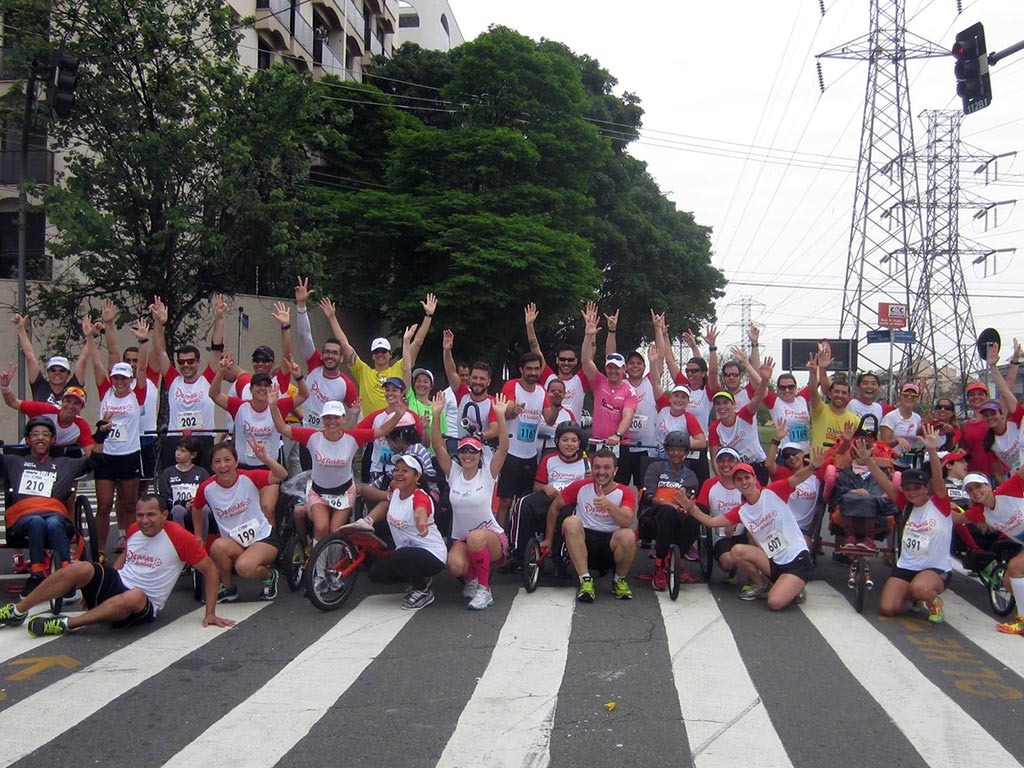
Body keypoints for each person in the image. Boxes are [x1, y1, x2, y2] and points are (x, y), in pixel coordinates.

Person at [0, 494, 233, 636]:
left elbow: (211, 570)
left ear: (165, 515)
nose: (144, 521)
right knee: (82, 567)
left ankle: (65, 624)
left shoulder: (180, 537)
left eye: (151, 515)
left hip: (144, 602)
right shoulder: (135, 530)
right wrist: (100, 585)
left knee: (135, 596)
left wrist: (210, 613)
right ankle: (18, 611)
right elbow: (127, 555)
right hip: (119, 584)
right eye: (140, 515)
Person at [680, 451, 824, 610]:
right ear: (735, 484)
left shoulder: (773, 491)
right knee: (737, 551)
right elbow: (712, 522)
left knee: (774, 603)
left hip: (796, 559)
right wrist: (692, 509)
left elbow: (796, 478)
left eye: (747, 477)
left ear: (755, 478)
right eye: (739, 479)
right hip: (773, 562)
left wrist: (812, 467)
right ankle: (761, 584)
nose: (744, 482)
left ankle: (796, 586)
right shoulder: (742, 511)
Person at [270, 395, 399, 546]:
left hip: (343, 493)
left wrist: (399, 414)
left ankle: (333, 565)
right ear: (322, 420)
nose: (332, 422)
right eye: (328, 418)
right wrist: (273, 406)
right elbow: (282, 428)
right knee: (321, 527)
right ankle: (316, 567)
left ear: (344, 418)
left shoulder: (353, 437)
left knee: (335, 531)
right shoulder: (312, 436)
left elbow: (381, 430)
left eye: (336, 418)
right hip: (319, 492)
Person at [855, 426, 952, 623]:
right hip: (907, 566)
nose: (911, 492)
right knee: (887, 609)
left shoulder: (939, 504)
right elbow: (886, 484)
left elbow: (938, 478)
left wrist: (932, 451)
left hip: (934, 569)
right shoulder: (906, 505)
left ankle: (932, 600)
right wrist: (868, 462)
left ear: (926, 489)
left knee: (921, 588)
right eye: (907, 488)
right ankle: (911, 594)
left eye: (917, 488)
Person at [0, 416, 100, 595]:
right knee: (36, 521)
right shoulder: (13, 461)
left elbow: (94, 462)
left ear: (53, 440)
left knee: (53, 522)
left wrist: (99, 438)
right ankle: (37, 574)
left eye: (45, 434)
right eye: (35, 434)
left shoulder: (64, 463)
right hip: (24, 520)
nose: (40, 438)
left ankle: (66, 574)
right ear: (28, 440)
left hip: (55, 517)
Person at [430, 391, 510, 610]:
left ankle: (485, 590)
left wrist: (500, 417)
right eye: (464, 450)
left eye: (473, 451)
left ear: (480, 455)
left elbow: (503, 448)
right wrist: (437, 415)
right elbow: (438, 446)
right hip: (463, 539)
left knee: (475, 537)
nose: (467, 455)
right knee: (454, 565)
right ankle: (472, 577)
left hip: (491, 538)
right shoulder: (453, 472)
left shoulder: (488, 473)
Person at [88, 316, 151, 558]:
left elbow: (143, 368)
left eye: (124, 378)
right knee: (103, 505)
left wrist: (143, 341)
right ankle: (100, 549)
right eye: (116, 378)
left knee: (129, 503)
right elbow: (96, 364)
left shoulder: (138, 394)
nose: (119, 382)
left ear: (130, 380)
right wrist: (91, 338)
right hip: (107, 456)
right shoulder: (106, 392)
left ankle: (131, 544)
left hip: (129, 455)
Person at [193, 442, 286, 602]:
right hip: (235, 542)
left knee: (243, 567)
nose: (223, 465)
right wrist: (198, 536)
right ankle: (228, 588)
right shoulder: (206, 488)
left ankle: (270, 575)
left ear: (236, 462)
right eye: (217, 461)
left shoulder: (249, 477)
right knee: (216, 547)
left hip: (262, 538)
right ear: (212, 466)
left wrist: (265, 458)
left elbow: (281, 475)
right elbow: (196, 507)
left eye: (227, 460)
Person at [543, 448, 637, 602]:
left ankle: (619, 580)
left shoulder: (624, 492)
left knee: (628, 535)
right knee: (570, 522)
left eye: (607, 468)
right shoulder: (579, 486)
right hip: (584, 542)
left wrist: (609, 506)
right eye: (597, 467)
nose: (601, 472)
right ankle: (585, 581)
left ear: (615, 470)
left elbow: (627, 521)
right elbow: (554, 507)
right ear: (592, 468)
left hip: (610, 544)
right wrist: (548, 540)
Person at [150, 295, 226, 468]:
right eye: (182, 362)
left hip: (203, 440)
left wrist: (220, 318)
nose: (186, 365)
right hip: (176, 440)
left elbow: (216, 349)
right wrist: (159, 324)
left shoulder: (207, 378)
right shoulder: (173, 380)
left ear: (198, 362)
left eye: (190, 361)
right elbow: (160, 351)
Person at [367, 454, 448, 610]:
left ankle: (423, 590)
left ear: (417, 476)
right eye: (396, 470)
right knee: (376, 573)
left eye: (405, 471)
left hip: (432, 555)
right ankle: (419, 577)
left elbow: (421, 509)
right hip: (407, 553)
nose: (398, 473)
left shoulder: (420, 496)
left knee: (399, 556)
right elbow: (385, 491)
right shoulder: (396, 492)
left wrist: (421, 521)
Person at [510, 421, 590, 562]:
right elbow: (536, 486)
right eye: (564, 440)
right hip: (550, 496)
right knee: (524, 503)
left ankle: (558, 557)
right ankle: (519, 552)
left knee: (568, 515)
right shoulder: (549, 459)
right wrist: (545, 487)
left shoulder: (587, 463)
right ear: (557, 441)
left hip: (571, 502)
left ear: (579, 443)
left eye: (573, 440)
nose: (569, 444)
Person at [100, 298, 161, 485]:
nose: (132, 364)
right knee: (122, 492)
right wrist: (108, 325)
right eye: (128, 361)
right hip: (119, 444)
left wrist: (159, 323)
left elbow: (158, 350)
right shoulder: (117, 383)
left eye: (136, 360)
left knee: (142, 489)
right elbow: (112, 351)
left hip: (145, 439)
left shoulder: (148, 379)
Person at [962, 464, 1024, 634]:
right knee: (1007, 581)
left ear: (989, 485)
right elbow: (955, 518)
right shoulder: (980, 513)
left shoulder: (1008, 488)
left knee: (1016, 567)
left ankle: (1023, 622)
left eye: (978, 486)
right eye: (970, 490)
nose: (975, 492)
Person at [497, 352, 556, 527]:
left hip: (530, 455)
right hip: (511, 453)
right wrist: (512, 410)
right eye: (529, 369)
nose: (533, 372)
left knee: (524, 503)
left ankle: (519, 541)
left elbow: (550, 419)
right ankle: (503, 542)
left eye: (536, 369)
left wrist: (557, 404)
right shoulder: (511, 386)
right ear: (521, 369)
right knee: (506, 502)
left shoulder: (541, 391)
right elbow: (506, 411)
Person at [292, 288, 360, 436]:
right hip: (307, 434)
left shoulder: (346, 384)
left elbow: (357, 416)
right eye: (327, 352)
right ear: (322, 355)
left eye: (335, 353)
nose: (330, 356)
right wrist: (301, 306)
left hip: (329, 439)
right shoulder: (314, 363)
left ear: (341, 358)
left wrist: (346, 438)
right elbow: (304, 336)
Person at [643, 431, 701, 591]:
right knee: (667, 512)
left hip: (679, 514)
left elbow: (687, 500)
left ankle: (674, 559)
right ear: (666, 450)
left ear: (686, 452)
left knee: (693, 520)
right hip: (655, 514)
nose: (676, 453)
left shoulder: (690, 476)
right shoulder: (655, 468)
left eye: (680, 450)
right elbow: (649, 495)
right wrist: (666, 503)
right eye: (672, 449)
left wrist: (679, 505)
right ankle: (659, 565)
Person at [0, 366, 93, 457]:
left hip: (53, 461)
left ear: (81, 407)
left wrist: (101, 435)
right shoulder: (46, 410)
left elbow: (91, 454)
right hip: (27, 453)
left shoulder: (81, 426)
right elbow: (13, 402)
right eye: (68, 401)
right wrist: (5, 387)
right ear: (62, 401)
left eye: (76, 403)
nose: (71, 406)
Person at [707, 357, 773, 481]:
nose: (722, 407)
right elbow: (714, 456)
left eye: (726, 403)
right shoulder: (715, 427)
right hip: (733, 470)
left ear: (733, 405)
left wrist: (764, 380)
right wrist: (721, 479)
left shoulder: (744, 415)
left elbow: (758, 396)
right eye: (718, 404)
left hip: (755, 466)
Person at [580, 303, 637, 448]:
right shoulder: (599, 381)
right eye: (610, 367)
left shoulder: (629, 391)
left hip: (619, 443)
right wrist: (588, 336)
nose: (613, 371)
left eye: (617, 368)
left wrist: (617, 435)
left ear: (624, 369)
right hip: (597, 441)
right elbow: (586, 361)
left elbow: (628, 416)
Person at [765, 420, 827, 548]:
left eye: (794, 453)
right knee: (767, 548)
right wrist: (776, 440)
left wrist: (847, 441)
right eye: (787, 456)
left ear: (802, 454)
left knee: (802, 548)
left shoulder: (817, 472)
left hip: (802, 530)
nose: (791, 458)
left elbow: (837, 456)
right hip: (782, 525)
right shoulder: (783, 474)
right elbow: (768, 464)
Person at [524, 303, 589, 421]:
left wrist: (590, 334)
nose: (566, 363)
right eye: (563, 359)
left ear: (575, 362)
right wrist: (529, 326)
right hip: (546, 434)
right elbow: (535, 350)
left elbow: (588, 357)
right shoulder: (549, 378)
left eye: (570, 360)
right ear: (557, 361)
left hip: (570, 435)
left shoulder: (580, 380)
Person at [9, 311, 89, 405]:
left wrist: (90, 336)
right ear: (47, 372)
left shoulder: (73, 388)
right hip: (39, 420)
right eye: (53, 369)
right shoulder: (39, 385)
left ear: (68, 373)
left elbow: (83, 360)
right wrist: (20, 328)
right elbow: (30, 356)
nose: (57, 373)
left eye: (62, 370)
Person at [442, 330, 499, 457]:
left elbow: (496, 429)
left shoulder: (492, 402)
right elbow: (451, 372)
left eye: (482, 379)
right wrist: (447, 350)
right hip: (461, 451)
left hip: (483, 453)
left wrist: (480, 436)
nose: (478, 382)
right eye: (475, 378)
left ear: (489, 382)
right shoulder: (462, 394)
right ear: (469, 379)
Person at [694, 448, 746, 585]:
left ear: (738, 462)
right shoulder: (710, 484)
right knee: (727, 563)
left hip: (747, 532)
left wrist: (735, 521)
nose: (725, 464)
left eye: (730, 460)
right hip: (723, 536)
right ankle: (737, 566)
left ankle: (754, 580)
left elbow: (758, 507)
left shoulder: (747, 481)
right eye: (721, 461)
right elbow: (702, 512)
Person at [158, 436, 210, 537]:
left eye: (182, 451)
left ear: (193, 455)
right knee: (177, 510)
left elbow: (208, 493)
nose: (177, 453)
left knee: (204, 510)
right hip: (178, 506)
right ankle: (182, 542)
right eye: (177, 449)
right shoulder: (168, 473)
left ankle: (202, 542)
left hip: (197, 505)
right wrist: (182, 503)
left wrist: (196, 503)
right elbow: (164, 496)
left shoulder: (201, 472)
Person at [808, 351, 855, 450]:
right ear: (829, 393)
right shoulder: (820, 410)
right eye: (836, 391)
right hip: (818, 463)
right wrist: (813, 373)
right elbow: (812, 391)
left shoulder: (854, 419)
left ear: (848, 396)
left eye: (844, 393)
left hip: (841, 464)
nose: (840, 395)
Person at [961, 381, 1003, 479]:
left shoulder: (995, 419)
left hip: (998, 474)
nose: (976, 397)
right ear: (968, 399)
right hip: (974, 475)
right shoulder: (965, 424)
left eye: (980, 394)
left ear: (987, 397)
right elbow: (963, 449)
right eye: (972, 395)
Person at [879, 383, 923, 458]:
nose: (909, 397)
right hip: (892, 461)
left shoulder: (917, 418)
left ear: (918, 398)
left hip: (909, 462)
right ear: (900, 396)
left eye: (914, 396)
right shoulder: (891, 417)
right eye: (905, 394)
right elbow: (883, 445)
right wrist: (897, 441)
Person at [535, 377, 576, 456]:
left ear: (564, 394)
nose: (556, 394)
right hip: (533, 452)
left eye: (560, 392)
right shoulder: (537, 409)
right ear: (547, 392)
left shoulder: (568, 414)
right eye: (552, 391)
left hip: (555, 454)